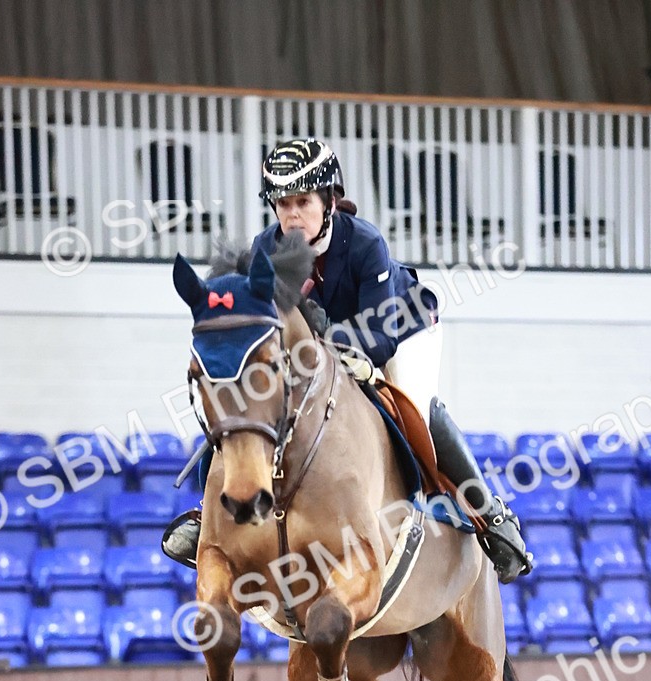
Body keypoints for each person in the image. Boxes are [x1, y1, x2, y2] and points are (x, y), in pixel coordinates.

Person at [163, 137, 531, 583]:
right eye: (282, 204)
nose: (292, 214)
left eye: (303, 201)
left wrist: (333, 349)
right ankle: (208, 515)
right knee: (244, 405)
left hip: (397, 330)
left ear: (329, 200)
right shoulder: (265, 252)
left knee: (417, 406)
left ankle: (491, 517)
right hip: (318, 351)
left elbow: (379, 335)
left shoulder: (364, 243)